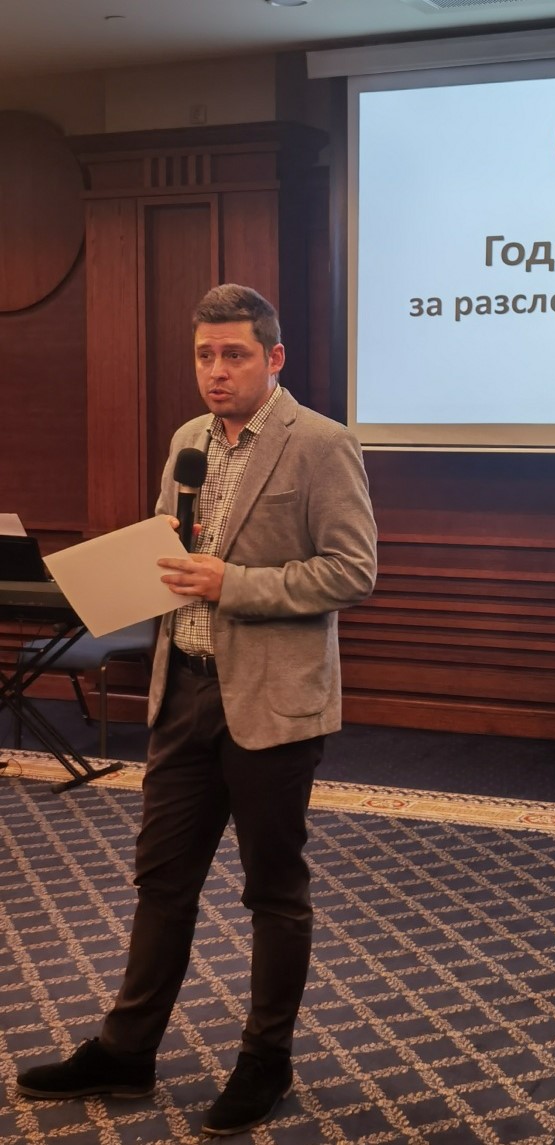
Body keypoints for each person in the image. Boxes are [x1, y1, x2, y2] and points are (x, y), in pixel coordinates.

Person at [16, 284, 378, 1136]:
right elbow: (171, 548)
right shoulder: (187, 442)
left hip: (271, 701)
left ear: (273, 358)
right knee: (161, 881)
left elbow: (352, 571)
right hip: (181, 690)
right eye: (205, 356)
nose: (217, 371)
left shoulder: (321, 444)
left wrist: (232, 582)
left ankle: (265, 1060)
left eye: (235, 355)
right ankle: (127, 1049)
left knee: (273, 890)